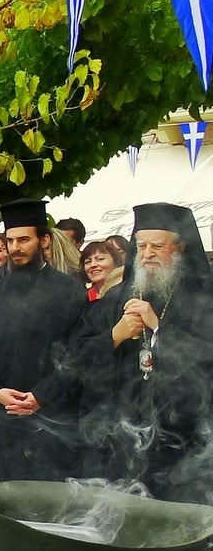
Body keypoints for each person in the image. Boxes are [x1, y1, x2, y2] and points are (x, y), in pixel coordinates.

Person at [81, 203, 213, 501]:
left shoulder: (204, 298)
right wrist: (115, 336)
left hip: (183, 440)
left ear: (179, 249)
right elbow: (79, 355)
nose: (148, 253)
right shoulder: (117, 298)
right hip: (123, 433)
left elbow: (207, 357)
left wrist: (158, 328)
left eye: (158, 245)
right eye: (141, 246)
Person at [0, 199, 87, 484]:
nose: (15, 247)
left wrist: (40, 397)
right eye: (10, 241)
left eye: (24, 239)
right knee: (0, 510)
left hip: (52, 420)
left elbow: (78, 353)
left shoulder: (69, 290)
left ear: (43, 240)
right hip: (1, 420)